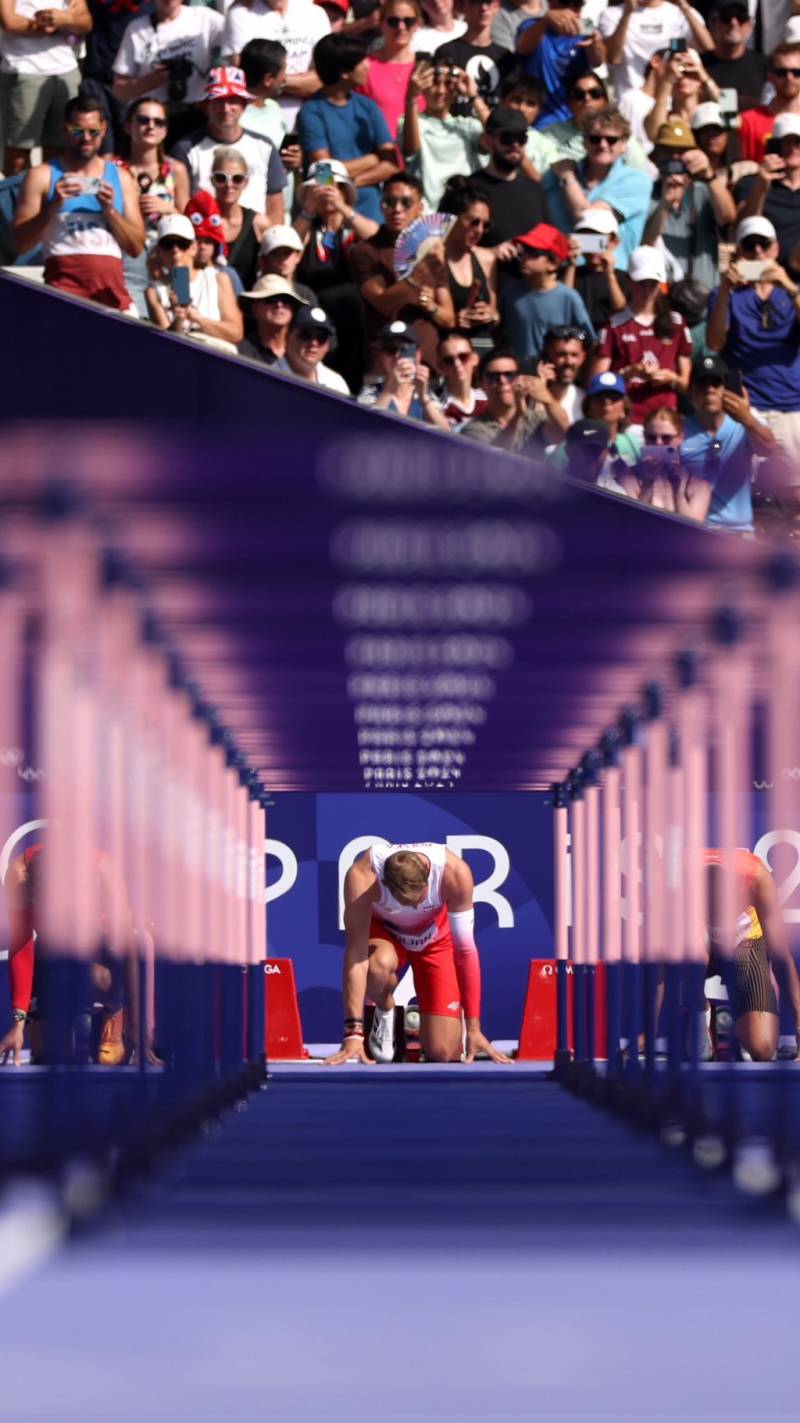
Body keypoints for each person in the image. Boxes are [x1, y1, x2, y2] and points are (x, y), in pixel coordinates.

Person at [325, 841, 512, 1065]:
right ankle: (385, 1010)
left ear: (427, 875)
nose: (414, 908)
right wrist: (353, 1034)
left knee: (443, 1052)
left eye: (419, 900)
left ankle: (440, 1029)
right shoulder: (363, 875)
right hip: (386, 935)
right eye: (405, 902)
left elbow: (465, 952)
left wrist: (474, 1028)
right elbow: (355, 955)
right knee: (376, 966)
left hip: (436, 941)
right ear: (385, 883)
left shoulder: (454, 872)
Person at [0, 842, 145, 1069]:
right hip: (52, 954)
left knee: (97, 976)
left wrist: (137, 1028)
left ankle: (113, 1011)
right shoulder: (19, 876)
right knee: (49, 1058)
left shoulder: (106, 874)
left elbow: (130, 950)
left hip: (99, 951)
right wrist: (18, 1024)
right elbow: (21, 949)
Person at [12, 91, 145, 311]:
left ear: (104, 131)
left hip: (112, 298)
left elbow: (136, 247)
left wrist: (110, 212)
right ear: (64, 130)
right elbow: (21, 244)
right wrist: (53, 206)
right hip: (63, 295)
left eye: (93, 131)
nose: (86, 138)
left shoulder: (121, 177)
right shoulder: (42, 175)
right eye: (78, 130)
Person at [706, 216, 800, 473]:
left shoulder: (793, 292)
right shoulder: (724, 294)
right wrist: (725, 289)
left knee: (794, 501)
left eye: (764, 244)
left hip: (791, 406)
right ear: (740, 252)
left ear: (776, 249)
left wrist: (789, 287)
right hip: (745, 408)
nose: (758, 251)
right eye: (750, 245)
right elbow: (714, 343)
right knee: (745, 495)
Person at [346, 171, 455, 362]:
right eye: (390, 202)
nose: (397, 209)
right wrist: (420, 273)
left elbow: (449, 319)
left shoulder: (431, 248)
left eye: (406, 203)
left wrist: (430, 306)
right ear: (381, 206)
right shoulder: (365, 250)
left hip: (429, 360)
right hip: (387, 359)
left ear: (420, 208)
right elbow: (382, 303)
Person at [703, 849, 800, 1062]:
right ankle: (701, 1010)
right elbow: (662, 966)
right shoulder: (676, 879)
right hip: (701, 943)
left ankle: (743, 1014)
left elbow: (780, 954)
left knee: (762, 1049)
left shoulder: (756, 876)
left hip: (744, 942)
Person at [297, 33, 399, 225]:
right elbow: (325, 175)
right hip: (333, 218)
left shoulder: (368, 107)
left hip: (373, 215)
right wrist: (373, 159)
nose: (368, 65)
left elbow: (391, 165)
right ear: (344, 72)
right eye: (362, 61)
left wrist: (351, 183)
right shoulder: (310, 113)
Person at [591, 244, 693, 432]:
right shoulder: (615, 325)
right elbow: (595, 381)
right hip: (627, 423)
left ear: (661, 285)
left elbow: (686, 384)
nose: (646, 291)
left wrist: (669, 377)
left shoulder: (676, 323)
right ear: (629, 281)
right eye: (641, 284)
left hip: (665, 425)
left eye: (652, 284)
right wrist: (628, 374)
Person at [294, 157, 376, 390]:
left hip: (351, 322)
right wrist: (307, 212)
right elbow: (288, 245)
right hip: (315, 322)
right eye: (319, 189)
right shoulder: (309, 230)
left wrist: (342, 207)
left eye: (335, 187)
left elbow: (376, 239)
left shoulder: (352, 228)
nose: (327, 193)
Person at [171, 66, 287, 223]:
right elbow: (181, 205)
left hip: (254, 240)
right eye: (218, 101)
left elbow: (275, 210)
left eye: (232, 100)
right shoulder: (185, 149)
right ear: (206, 107)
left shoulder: (265, 146)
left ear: (244, 105)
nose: (226, 109)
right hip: (205, 238)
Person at [543, 105, 652, 271]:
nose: (602, 145)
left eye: (611, 140)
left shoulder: (637, 181)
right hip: (559, 273)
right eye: (595, 138)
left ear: (623, 144)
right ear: (584, 141)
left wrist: (567, 178)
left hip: (609, 276)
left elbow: (587, 218)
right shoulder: (552, 176)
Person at [679, 352, 775, 531]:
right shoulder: (678, 429)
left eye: (716, 383)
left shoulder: (745, 423)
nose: (709, 390)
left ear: (728, 389)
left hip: (739, 532)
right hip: (694, 529)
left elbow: (769, 449)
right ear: (690, 392)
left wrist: (747, 420)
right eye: (702, 384)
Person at [642, 116, 735, 290]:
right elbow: (646, 245)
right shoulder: (646, 193)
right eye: (668, 151)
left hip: (704, 297)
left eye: (681, 152)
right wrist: (665, 204)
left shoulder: (704, 189)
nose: (675, 158)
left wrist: (709, 174)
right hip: (661, 299)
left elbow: (728, 217)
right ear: (656, 156)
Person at [0, 0, 91, 176]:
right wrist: (51, 26)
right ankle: (22, 201)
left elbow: (85, 21)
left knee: (60, 150)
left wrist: (67, 20)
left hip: (66, 72)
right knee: (17, 156)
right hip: (24, 73)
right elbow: (8, 21)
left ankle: (50, 200)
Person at [118, 95, 190, 317]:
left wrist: (167, 209)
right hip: (130, 249)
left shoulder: (176, 169)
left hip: (171, 249)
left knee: (181, 311)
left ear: (166, 131)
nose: (151, 126)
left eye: (159, 122)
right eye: (143, 120)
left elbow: (189, 225)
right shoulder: (114, 168)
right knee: (133, 314)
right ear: (129, 126)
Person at [221, 0, 329, 131]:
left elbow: (323, 79)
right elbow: (245, 77)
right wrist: (302, 83)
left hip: (310, 125)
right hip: (256, 124)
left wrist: (271, 82)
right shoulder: (240, 12)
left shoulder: (314, 12)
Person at [145, 212, 244, 347]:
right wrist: (180, 317)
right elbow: (167, 345)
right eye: (168, 244)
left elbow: (235, 333)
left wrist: (196, 318)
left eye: (182, 243)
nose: (175, 250)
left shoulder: (217, 279)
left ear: (193, 248)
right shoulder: (155, 291)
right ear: (159, 251)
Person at [501, 221, 595, 363]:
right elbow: (497, 335)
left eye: (533, 253)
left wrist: (570, 342)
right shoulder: (510, 293)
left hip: (553, 379)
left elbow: (587, 339)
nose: (525, 257)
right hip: (517, 377)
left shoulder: (568, 297)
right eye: (524, 250)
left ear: (553, 263)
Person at [400, 56, 485, 211]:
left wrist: (473, 96)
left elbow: (498, 136)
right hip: (427, 217)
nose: (440, 91)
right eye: (434, 83)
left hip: (464, 215)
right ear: (423, 87)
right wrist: (411, 97)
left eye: (447, 84)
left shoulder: (467, 125)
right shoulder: (410, 122)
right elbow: (411, 149)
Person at [111, 0, 224, 115]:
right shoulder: (137, 29)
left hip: (197, 110)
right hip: (154, 117)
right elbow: (119, 91)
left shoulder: (204, 18)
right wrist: (154, 79)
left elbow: (237, 41)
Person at [515, 0, 607, 131]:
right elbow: (523, 47)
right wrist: (546, 20)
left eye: (577, 5)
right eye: (564, 4)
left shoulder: (586, 29)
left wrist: (596, 44)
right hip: (540, 123)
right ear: (550, 3)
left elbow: (598, 61)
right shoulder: (532, 26)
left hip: (576, 123)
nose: (569, 11)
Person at [470, 104, 552, 245]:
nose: (515, 145)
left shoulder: (535, 190)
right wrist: (492, 254)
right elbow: (450, 246)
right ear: (488, 141)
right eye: (507, 138)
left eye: (521, 138)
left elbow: (548, 240)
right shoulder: (468, 189)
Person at [540, 70, 652, 173]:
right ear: (569, 103)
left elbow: (638, 170)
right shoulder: (549, 135)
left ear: (605, 101)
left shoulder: (621, 136)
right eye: (579, 95)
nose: (587, 99)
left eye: (595, 93)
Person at [598, 0, 713, 99]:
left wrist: (684, 7)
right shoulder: (611, 14)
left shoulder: (681, 13)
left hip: (672, 101)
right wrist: (627, 13)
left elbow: (707, 48)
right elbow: (614, 58)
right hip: (628, 98)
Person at [736, 114, 800, 284]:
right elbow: (743, 226)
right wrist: (761, 186)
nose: (792, 148)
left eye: (797, 142)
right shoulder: (750, 182)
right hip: (757, 276)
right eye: (785, 142)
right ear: (774, 146)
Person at [621, 404, 713, 516]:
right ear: (644, 437)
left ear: (680, 438)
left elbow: (691, 530)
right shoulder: (627, 478)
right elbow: (632, 522)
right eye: (651, 437)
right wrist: (647, 486)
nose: (658, 442)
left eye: (666, 438)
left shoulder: (700, 487)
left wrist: (679, 494)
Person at [439, 178, 499, 347]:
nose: (479, 230)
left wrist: (490, 315)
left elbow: (495, 312)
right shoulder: (433, 259)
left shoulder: (487, 259)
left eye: (485, 224)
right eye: (474, 222)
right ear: (453, 218)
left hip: (483, 347)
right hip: (450, 351)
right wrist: (454, 318)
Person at [460, 345, 554, 449]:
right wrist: (517, 415)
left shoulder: (535, 419)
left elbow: (562, 433)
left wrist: (549, 400)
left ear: (520, 378)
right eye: (493, 377)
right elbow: (496, 458)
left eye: (510, 375)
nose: (503, 381)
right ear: (481, 383)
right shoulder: (472, 430)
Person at [358, 320, 450, 423]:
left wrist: (424, 398)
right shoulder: (371, 392)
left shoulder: (426, 395)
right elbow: (365, 426)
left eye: (406, 350)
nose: (398, 357)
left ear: (418, 356)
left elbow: (447, 434)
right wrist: (389, 390)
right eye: (391, 350)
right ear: (382, 357)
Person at [205, 144, 269, 292]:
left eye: (237, 179)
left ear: (245, 183)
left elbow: (279, 266)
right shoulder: (198, 220)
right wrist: (180, 302)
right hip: (204, 308)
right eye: (221, 178)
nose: (229, 185)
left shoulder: (259, 223)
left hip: (245, 309)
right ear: (212, 180)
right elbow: (178, 262)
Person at [358, 0, 423, 138]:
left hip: (421, 152)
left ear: (417, 25)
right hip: (379, 153)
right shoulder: (364, 67)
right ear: (381, 24)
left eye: (408, 21)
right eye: (393, 21)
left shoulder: (424, 66)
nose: (401, 27)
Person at [434, 0, 512, 108]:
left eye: (488, 2)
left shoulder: (506, 58)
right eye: (476, 2)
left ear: (496, 6)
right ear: (463, 6)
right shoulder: (446, 52)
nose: (484, 8)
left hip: (493, 123)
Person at [563, 207, 631, 329]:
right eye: (586, 239)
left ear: (614, 242)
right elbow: (563, 305)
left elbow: (622, 315)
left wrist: (610, 276)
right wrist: (571, 264)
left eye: (599, 240)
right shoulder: (570, 273)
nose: (593, 248)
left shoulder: (624, 278)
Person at [701, 0, 767, 117]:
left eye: (741, 17)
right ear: (713, 23)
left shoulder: (766, 66)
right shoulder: (700, 66)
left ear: (750, 24)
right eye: (726, 17)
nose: (734, 23)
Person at [738, 40, 800, 165]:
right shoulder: (748, 121)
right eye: (781, 73)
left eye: (797, 72)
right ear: (770, 76)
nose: (789, 78)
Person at [274, 303, 351, 392]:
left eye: (322, 337)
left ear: (328, 345)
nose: (314, 343)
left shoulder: (336, 384)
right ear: (287, 336)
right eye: (306, 335)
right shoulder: (268, 378)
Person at [237, 271, 310, 364]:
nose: (279, 305)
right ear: (255, 309)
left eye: (285, 300)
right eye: (271, 300)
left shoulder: (304, 349)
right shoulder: (242, 352)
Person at [240, 38, 290, 150]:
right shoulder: (235, 116)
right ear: (268, 79)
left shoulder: (274, 107)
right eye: (283, 71)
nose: (285, 78)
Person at [433, 330, 489, 427]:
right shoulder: (436, 407)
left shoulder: (490, 399)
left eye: (463, 357)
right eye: (449, 360)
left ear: (475, 359)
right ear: (440, 366)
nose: (457, 364)